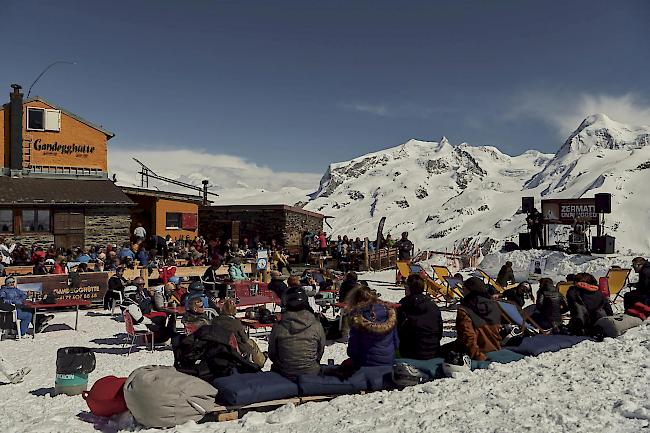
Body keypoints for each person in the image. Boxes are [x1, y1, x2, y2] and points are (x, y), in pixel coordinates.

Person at [268, 287, 325, 379]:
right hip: (311, 371)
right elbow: (320, 350)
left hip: (284, 372)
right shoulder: (316, 325)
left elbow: (272, 353)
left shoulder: (279, 326)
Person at [346, 286, 399, 368]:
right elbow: (396, 342)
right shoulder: (388, 313)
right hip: (389, 361)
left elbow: (353, 350)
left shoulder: (358, 318)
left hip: (366, 363)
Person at [455, 277, 503, 361]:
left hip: (478, 352)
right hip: (495, 347)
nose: (462, 291)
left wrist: (477, 356)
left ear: (470, 290)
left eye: (464, 289)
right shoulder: (495, 305)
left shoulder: (465, 310)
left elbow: (468, 337)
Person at [397, 274, 443, 360]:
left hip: (411, 352)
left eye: (406, 286)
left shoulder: (405, 305)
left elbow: (398, 330)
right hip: (433, 350)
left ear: (409, 288)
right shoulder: (433, 305)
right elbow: (440, 331)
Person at [212, 299, 266, 368]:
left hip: (220, 345)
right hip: (237, 347)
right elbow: (245, 339)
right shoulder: (235, 323)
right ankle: (261, 362)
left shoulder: (215, 320)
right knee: (251, 343)